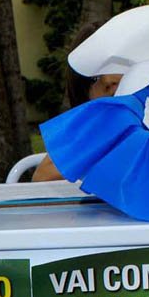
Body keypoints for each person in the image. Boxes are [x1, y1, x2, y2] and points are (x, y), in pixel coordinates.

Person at [32, 21, 121, 182]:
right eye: (94, 77)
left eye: (115, 65)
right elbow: (42, 178)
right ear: (82, 92)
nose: (108, 80)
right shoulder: (88, 133)